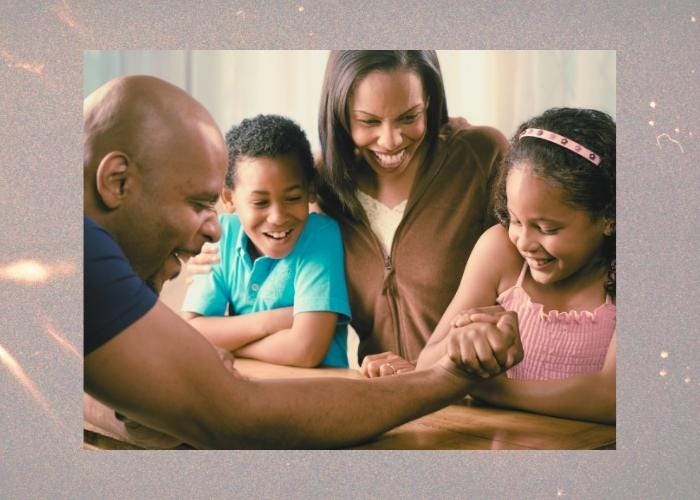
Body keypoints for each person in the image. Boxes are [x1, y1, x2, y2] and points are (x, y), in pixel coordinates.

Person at [83, 74, 523, 449]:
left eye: (409, 117)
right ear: (116, 181)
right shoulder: (84, 258)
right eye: (200, 202)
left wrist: (168, 397)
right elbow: (236, 414)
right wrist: (448, 377)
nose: (215, 228)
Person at [415, 108, 616, 424]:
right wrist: (466, 341)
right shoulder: (499, 251)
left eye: (547, 228)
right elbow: (426, 369)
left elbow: (613, 398)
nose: (523, 241)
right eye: (515, 219)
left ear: (608, 217)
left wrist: (490, 390)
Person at [182, 114, 351, 368]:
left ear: (310, 190)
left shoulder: (320, 236)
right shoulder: (222, 235)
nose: (278, 217)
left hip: (316, 395)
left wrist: (230, 344)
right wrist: (273, 321)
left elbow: (305, 350)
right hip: (248, 395)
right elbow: (191, 332)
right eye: (260, 202)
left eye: (293, 198)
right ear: (229, 199)